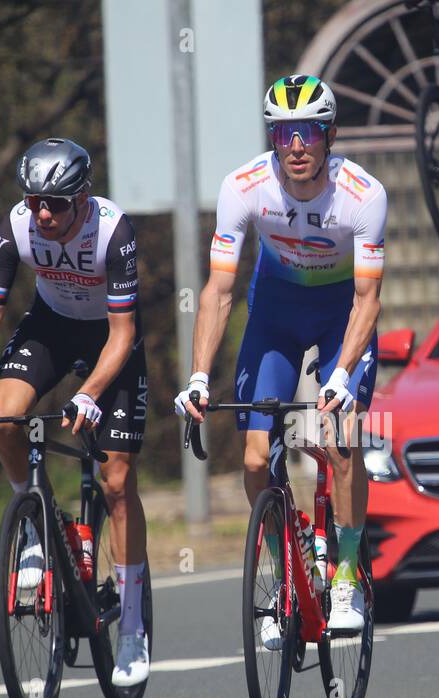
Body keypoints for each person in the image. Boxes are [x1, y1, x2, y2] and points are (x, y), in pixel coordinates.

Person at [175, 75, 387, 645]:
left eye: (309, 132)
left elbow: (368, 300)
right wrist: (197, 377)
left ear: (330, 135)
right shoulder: (244, 187)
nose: (296, 144)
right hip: (274, 313)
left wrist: (341, 374)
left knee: (340, 439)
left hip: (342, 314)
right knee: (251, 457)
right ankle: (282, 570)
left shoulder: (363, 195)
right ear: (273, 137)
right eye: (284, 132)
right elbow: (218, 291)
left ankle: (345, 577)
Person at [0, 138, 152, 687]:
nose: (44, 214)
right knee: (4, 418)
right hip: (51, 325)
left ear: (83, 197)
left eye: (55, 203)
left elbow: (124, 332)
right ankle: (33, 529)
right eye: (35, 201)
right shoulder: (16, 228)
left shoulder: (114, 231)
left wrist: (89, 393)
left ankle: (130, 625)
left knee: (117, 480)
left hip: (110, 337)